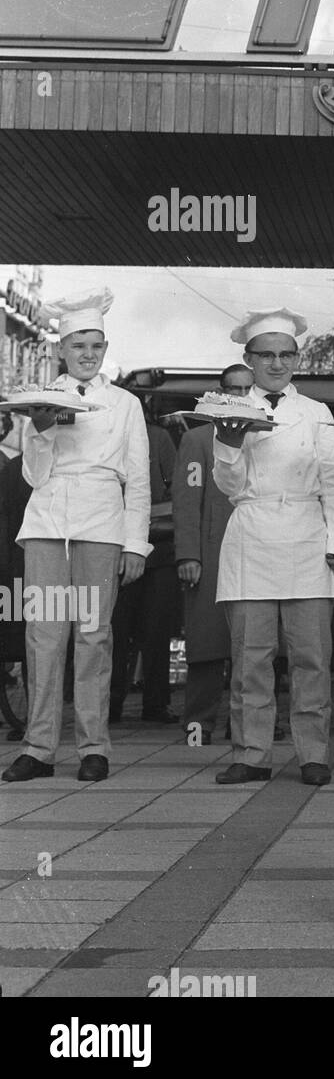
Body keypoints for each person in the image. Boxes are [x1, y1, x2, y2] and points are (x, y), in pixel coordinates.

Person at [2, 289, 150, 783]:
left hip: (102, 521)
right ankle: (39, 748)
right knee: (44, 633)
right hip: (47, 523)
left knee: (94, 634)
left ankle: (94, 746)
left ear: (105, 348)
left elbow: (139, 480)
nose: (88, 354)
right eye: (78, 345)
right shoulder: (39, 397)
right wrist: (41, 429)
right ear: (61, 349)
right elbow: (34, 477)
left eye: (96, 345)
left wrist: (134, 544)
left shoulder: (125, 403)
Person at [212, 309, 334, 788]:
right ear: (248, 359)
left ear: (297, 358)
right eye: (266, 354)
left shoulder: (316, 412)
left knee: (311, 656)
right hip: (252, 532)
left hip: (307, 535)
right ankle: (252, 754)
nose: (276, 363)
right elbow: (228, 485)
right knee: (251, 657)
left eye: (285, 354)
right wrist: (229, 446)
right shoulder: (228, 408)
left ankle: (313, 753)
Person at [173, 364, 253, 745]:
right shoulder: (198, 439)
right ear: (220, 392)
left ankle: (250, 724)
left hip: (255, 554)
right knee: (206, 646)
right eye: (232, 389)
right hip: (211, 554)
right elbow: (186, 503)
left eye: (245, 390)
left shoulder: (264, 437)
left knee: (255, 646)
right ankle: (198, 727)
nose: (239, 396)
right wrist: (188, 554)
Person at [109, 405, 179, 725]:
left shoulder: (158, 437)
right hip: (110, 546)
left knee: (155, 631)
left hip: (157, 549)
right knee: (113, 631)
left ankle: (155, 702)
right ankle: (111, 703)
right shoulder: (104, 435)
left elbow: (177, 491)